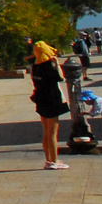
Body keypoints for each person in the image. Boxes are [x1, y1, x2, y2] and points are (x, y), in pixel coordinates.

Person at [31, 41, 70, 169]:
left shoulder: (35, 67)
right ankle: (54, 161)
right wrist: (56, 63)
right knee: (53, 133)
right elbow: (60, 77)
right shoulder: (49, 66)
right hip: (52, 100)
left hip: (41, 100)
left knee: (46, 132)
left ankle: (48, 160)